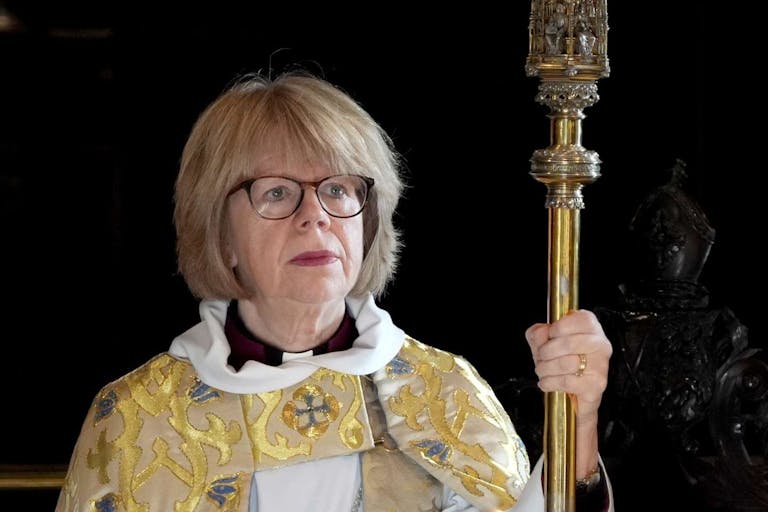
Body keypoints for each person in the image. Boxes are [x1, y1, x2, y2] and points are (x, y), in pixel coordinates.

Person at [55, 70, 614, 511]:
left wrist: (579, 419)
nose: (315, 217)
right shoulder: (137, 419)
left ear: (367, 220)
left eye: (339, 189)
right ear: (219, 234)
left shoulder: (439, 392)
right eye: (276, 193)